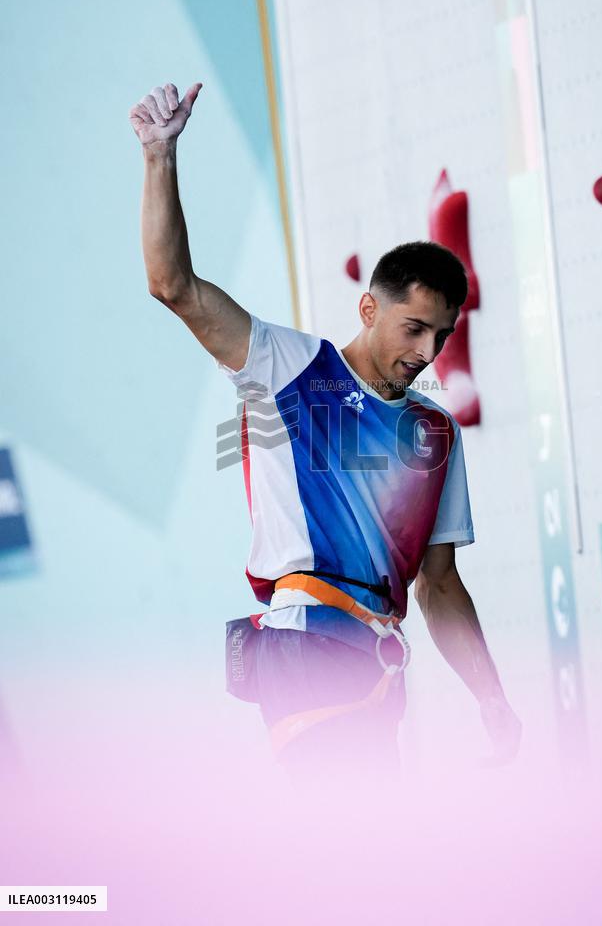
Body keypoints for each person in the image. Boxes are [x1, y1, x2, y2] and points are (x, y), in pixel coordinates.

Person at [129, 82, 522, 782]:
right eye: (413, 328)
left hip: (378, 666)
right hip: (304, 646)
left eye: (442, 335)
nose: (428, 353)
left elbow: (439, 585)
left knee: (374, 863)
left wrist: (491, 697)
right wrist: (160, 157)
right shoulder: (288, 368)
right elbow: (173, 285)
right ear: (369, 308)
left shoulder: (436, 436)